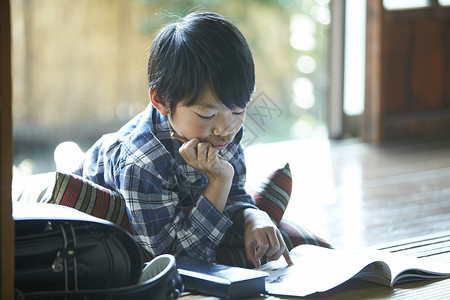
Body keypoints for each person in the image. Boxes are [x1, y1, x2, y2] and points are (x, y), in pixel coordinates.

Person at [73, 11, 291, 268]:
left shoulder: (224, 132)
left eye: (238, 111)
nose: (224, 129)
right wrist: (219, 181)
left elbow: (235, 195)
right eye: (206, 114)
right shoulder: (142, 164)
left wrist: (252, 215)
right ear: (162, 101)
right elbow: (176, 261)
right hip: (88, 224)